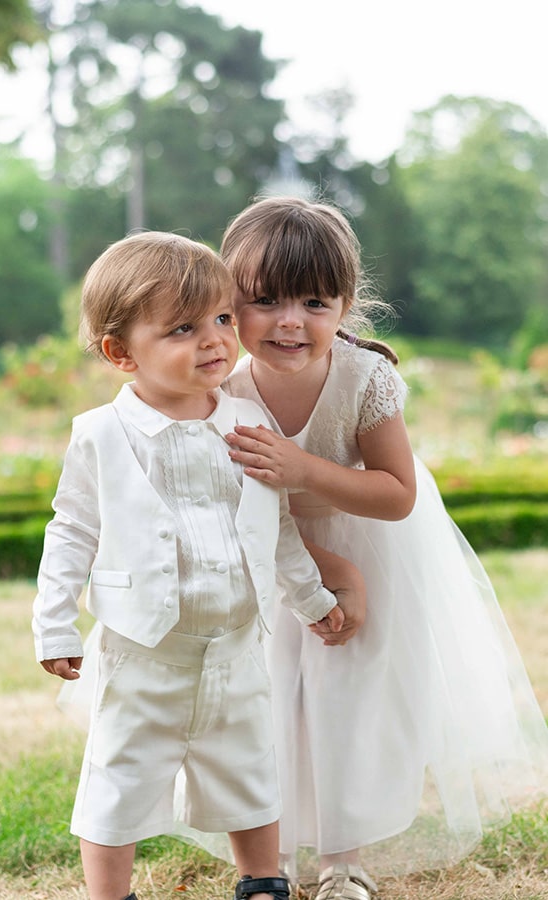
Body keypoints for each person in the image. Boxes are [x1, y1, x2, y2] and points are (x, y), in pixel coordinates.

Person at [217, 195, 548, 900]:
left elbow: (398, 493)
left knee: (348, 700)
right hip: (266, 554)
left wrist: (304, 470)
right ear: (230, 302)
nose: (289, 321)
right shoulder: (223, 386)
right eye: (266, 300)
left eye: (314, 302)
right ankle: (270, 857)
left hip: (365, 540)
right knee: (266, 696)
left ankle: (344, 861)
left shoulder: (364, 379)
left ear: (344, 304)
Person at [32, 230, 364, 900]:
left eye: (220, 318)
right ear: (121, 353)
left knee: (249, 770)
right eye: (183, 329)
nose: (214, 340)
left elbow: (274, 527)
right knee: (118, 778)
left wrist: (312, 598)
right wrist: (55, 624)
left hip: (236, 645)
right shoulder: (100, 435)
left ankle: (262, 881)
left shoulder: (246, 421)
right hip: (142, 650)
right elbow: (71, 532)